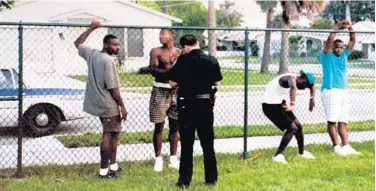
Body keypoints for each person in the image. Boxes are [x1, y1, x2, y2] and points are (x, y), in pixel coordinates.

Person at [74, 20, 128, 178]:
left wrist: (91, 28)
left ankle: (113, 166)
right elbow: (113, 89)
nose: (117, 48)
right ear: (106, 45)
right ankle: (104, 171)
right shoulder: (108, 61)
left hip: (96, 102)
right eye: (114, 45)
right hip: (108, 104)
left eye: (118, 45)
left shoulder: (91, 54)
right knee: (109, 135)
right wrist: (122, 107)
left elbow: (78, 42)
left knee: (113, 134)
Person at [169, 34, 222, 188]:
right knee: (207, 142)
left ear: (185, 47)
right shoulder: (211, 60)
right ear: (197, 43)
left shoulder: (183, 60)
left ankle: (184, 181)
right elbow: (217, 83)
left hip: (187, 105)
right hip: (205, 105)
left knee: (187, 144)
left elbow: (172, 83)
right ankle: (211, 178)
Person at [319, 20, 361, 156]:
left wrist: (350, 28)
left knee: (343, 120)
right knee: (332, 121)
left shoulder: (344, 55)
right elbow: (330, 40)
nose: (339, 49)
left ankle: (346, 145)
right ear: (333, 47)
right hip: (330, 91)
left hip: (343, 91)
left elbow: (353, 40)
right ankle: (336, 146)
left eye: (341, 47)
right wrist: (337, 27)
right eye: (337, 47)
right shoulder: (326, 55)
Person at [261, 71, 317, 164]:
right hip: (270, 106)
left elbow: (313, 86)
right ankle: (277, 155)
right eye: (305, 86)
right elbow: (293, 87)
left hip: (279, 104)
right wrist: (292, 104)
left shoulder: (298, 79)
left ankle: (301, 153)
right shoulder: (289, 78)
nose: (304, 89)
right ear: (303, 80)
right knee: (292, 128)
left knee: (298, 127)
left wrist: (312, 99)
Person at [149, 28, 182, 172]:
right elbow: (154, 71)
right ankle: (158, 158)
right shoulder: (156, 51)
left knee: (175, 126)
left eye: (164, 34)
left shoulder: (180, 52)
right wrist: (173, 68)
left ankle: (173, 158)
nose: (161, 36)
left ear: (172, 36)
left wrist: (177, 68)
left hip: (176, 90)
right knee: (159, 126)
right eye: (160, 34)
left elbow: (184, 72)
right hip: (160, 90)